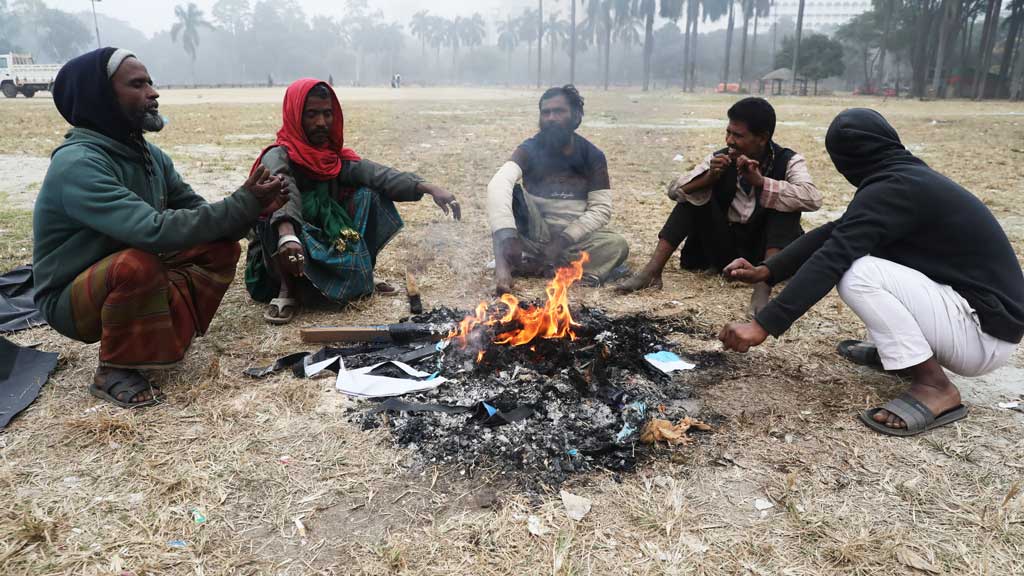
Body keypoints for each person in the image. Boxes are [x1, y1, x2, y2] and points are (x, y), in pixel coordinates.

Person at [718, 108, 1024, 436]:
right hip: (982, 320)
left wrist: (762, 325)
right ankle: (898, 356)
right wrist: (768, 270)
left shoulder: (893, 189)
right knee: (866, 263)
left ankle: (935, 387)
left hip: (982, 333)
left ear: (846, 160)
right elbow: (837, 230)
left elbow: (833, 256)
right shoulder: (904, 179)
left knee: (858, 273)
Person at [32, 48, 286, 408]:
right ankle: (113, 372)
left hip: (131, 266)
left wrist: (251, 211)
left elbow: (197, 213)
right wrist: (241, 203)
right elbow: (154, 230)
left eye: (150, 82)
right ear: (101, 98)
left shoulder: (150, 157)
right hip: (69, 297)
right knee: (137, 264)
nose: (153, 92)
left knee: (221, 248)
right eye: (137, 84)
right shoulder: (78, 164)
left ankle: (158, 347)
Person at [246, 78, 460, 323]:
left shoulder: (331, 156)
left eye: (327, 114)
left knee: (370, 194)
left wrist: (428, 187)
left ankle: (362, 273)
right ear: (295, 115)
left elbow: (375, 174)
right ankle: (289, 290)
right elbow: (282, 188)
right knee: (269, 214)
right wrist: (286, 234)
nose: (321, 123)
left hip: (325, 237)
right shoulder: (277, 155)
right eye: (311, 114)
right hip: (287, 246)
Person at [616, 97, 821, 314]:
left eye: (738, 135)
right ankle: (651, 272)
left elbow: (813, 198)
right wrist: (708, 178)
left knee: (786, 204)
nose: (730, 140)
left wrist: (762, 183)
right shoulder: (720, 158)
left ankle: (762, 288)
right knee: (693, 196)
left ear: (762, 138)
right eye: (728, 132)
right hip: (725, 250)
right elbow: (675, 191)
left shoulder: (788, 160)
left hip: (767, 254)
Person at [487, 85, 629, 294]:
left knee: (617, 245)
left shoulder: (592, 155)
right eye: (546, 112)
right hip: (535, 234)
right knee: (510, 199)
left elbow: (601, 209)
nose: (551, 118)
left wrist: (562, 240)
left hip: (573, 238)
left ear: (576, 116)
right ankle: (508, 268)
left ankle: (542, 265)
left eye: (559, 111)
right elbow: (499, 183)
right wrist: (508, 237)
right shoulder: (530, 149)